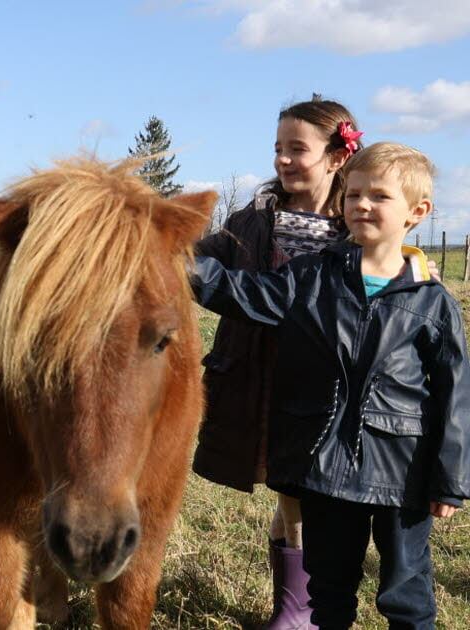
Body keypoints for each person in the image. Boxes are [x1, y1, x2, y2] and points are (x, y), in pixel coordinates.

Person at [192, 142, 469, 629]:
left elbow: (455, 395)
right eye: (354, 194)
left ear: (417, 212)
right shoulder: (309, 278)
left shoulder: (431, 302)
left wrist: (451, 479)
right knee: (329, 589)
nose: (362, 204)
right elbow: (240, 292)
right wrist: (174, 261)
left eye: (379, 196)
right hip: (323, 468)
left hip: (402, 473)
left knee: (406, 593)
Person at [193, 96, 361, 628]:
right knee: (291, 488)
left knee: (306, 490)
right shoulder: (251, 220)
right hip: (259, 373)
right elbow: (195, 258)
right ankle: (295, 607)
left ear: (337, 156)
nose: (283, 160)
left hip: (325, 378)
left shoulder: (355, 226)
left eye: (297, 149)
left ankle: (301, 604)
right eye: (278, 147)